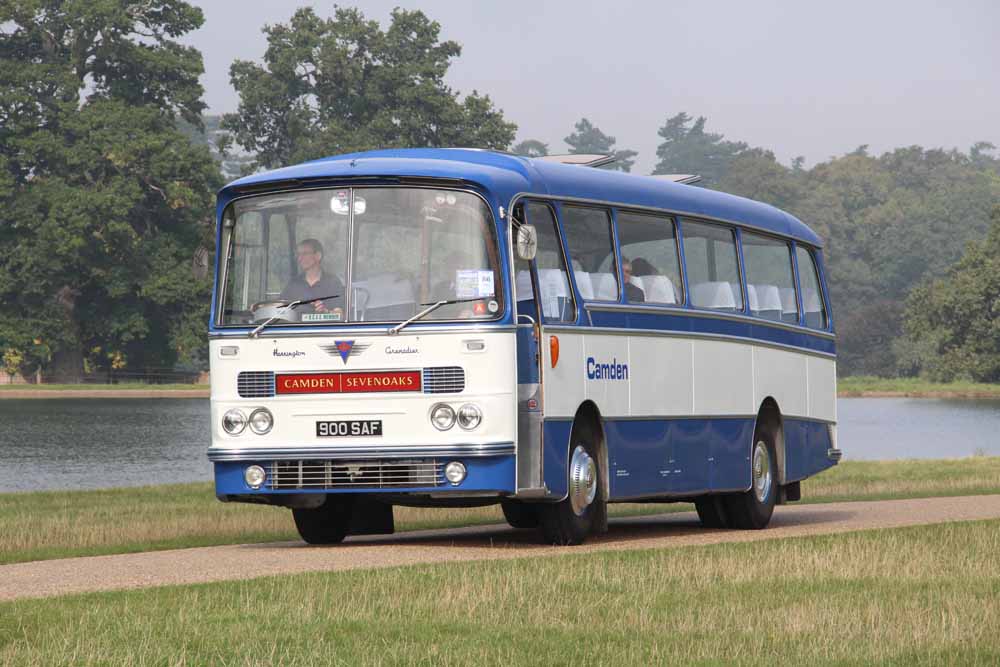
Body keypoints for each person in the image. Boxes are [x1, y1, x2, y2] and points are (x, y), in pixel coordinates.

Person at [279, 239, 345, 317]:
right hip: (296, 328)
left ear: (318, 256)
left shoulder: (333, 282)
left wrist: (325, 311)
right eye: (298, 254)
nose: (300, 259)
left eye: (304, 254)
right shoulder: (293, 284)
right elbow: (280, 311)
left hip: (324, 328)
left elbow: (340, 315)